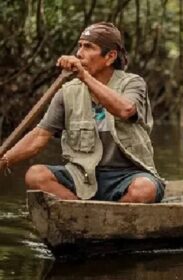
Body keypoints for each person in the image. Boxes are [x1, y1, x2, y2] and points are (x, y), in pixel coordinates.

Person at [0, 22, 165, 203]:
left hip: (128, 175)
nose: (79, 53)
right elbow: (38, 137)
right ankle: (82, 214)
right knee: (35, 175)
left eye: (88, 47)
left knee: (144, 189)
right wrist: (5, 160)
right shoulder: (67, 92)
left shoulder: (133, 83)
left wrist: (84, 76)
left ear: (110, 57)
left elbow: (125, 110)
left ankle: (110, 216)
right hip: (83, 175)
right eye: (79, 46)